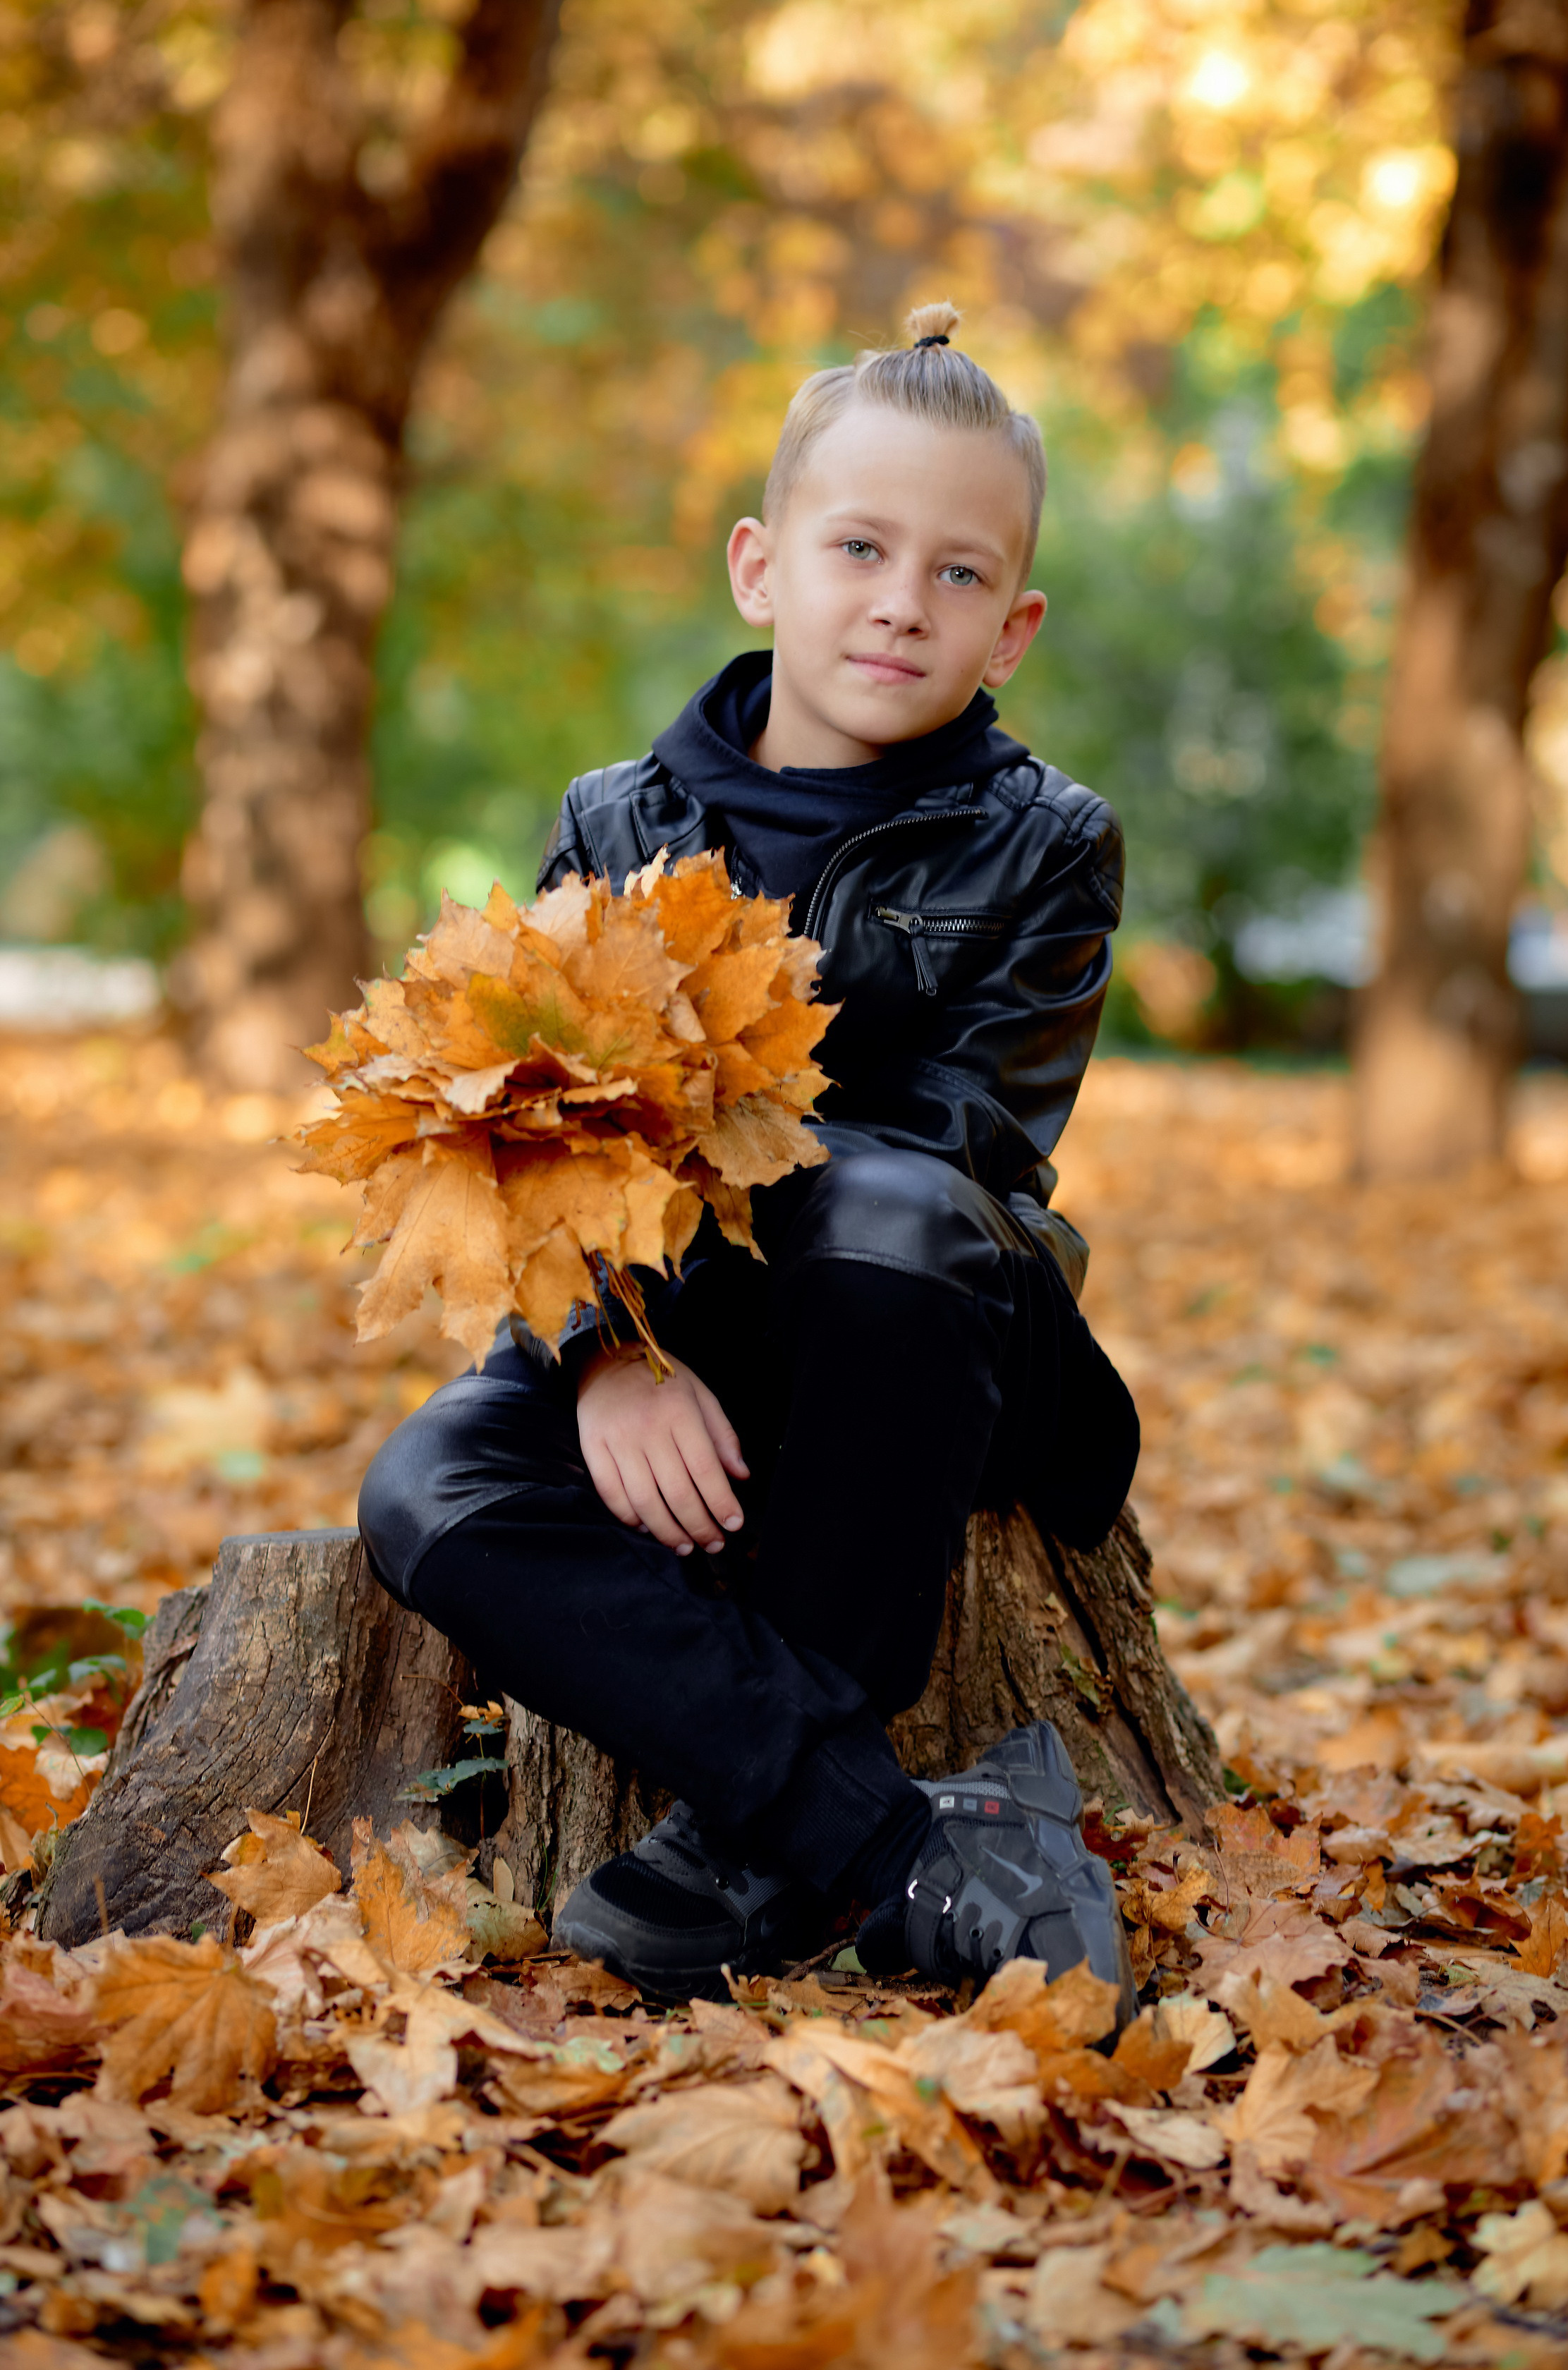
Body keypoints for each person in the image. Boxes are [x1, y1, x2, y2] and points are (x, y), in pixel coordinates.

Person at [358, 301, 1141, 2010]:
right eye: (858, 545)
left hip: (923, 1334)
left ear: (1010, 630)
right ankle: (883, 1840)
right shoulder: (616, 822)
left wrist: (692, 1269)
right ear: (758, 566)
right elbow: (533, 1140)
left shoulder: (1047, 845)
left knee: (880, 1199)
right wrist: (606, 1356)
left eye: (955, 576)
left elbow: (964, 1141)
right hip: (670, 1322)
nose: (897, 600)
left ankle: (766, 1838)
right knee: (427, 1494)